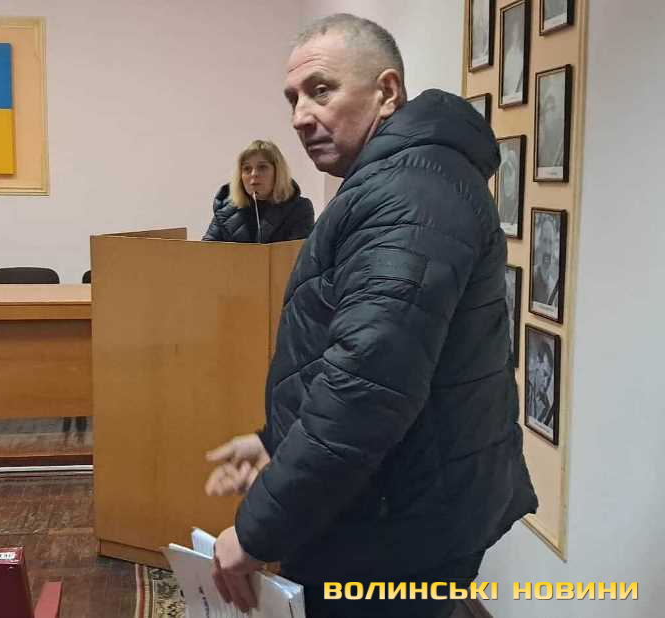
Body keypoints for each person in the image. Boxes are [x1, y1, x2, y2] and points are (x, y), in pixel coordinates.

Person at [205, 15, 537, 618]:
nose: (300, 116)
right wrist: (275, 439)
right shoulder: (402, 179)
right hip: (402, 504)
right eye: (293, 98)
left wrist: (257, 530)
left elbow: (366, 387)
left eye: (321, 90)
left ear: (387, 92)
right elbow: (362, 355)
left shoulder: (408, 194)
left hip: (396, 527)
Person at [202, 140, 315, 243]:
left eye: (262, 167)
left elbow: (298, 254)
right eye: (247, 169)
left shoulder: (299, 209)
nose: (254, 174)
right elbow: (206, 252)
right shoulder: (225, 208)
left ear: (278, 173)